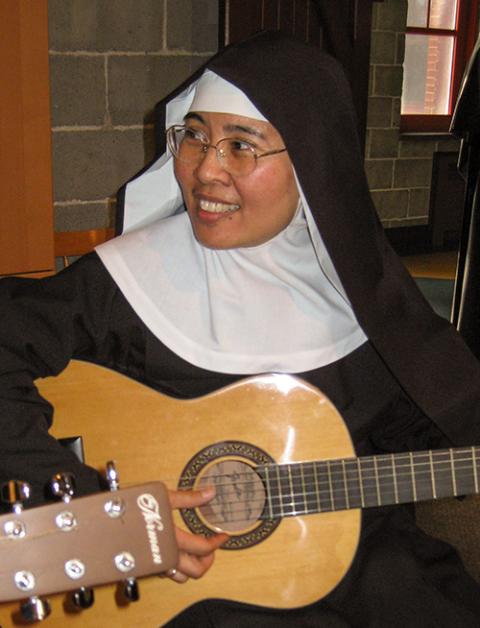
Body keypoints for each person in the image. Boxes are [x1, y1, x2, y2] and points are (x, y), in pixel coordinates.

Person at [1, 30, 480, 626]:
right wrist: (102, 510)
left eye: (241, 146)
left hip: (339, 556)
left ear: (310, 164)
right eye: (195, 136)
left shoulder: (361, 295)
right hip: (184, 588)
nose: (206, 170)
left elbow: (421, 425)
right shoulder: (129, 278)